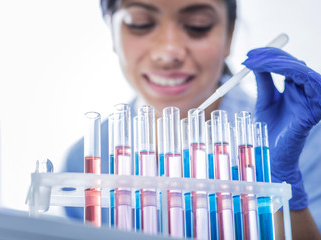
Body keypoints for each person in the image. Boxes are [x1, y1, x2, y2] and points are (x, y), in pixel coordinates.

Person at [64, 0, 321, 238]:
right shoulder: (84, 159)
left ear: (229, 33)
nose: (169, 52)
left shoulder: (303, 143)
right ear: (111, 28)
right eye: (140, 23)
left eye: (198, 25)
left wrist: (280, 186)